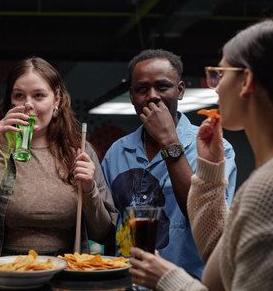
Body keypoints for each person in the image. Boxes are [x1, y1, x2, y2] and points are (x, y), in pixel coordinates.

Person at [128, 18, 273, 290]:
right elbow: (224, 258)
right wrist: (209, 170)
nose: (215, 86)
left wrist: (167, 279)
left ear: (246, 81)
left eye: (220, 74)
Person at [0, 57, 117, 285]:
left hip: (65, 277)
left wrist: (89, 189)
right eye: (19, 96)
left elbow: (102, 233)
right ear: (9, 102)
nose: (28, 105)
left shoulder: (80, 151)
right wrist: (1, 150)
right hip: (2, 277)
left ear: (56, 101)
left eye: (39, 95)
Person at [101, 49, 237, 279]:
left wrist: (169, 142)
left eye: (162, 87)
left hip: (186, 282)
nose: (152, 96)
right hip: (126, 281)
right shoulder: (117, 152)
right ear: (132, 95)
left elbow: (206, 223)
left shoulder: (214, 147)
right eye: (142, 89)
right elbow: (106, 227)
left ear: (180, 90)